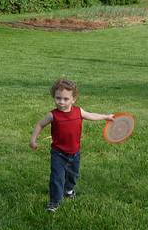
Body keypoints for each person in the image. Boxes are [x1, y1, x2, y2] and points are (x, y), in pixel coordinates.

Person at [29, 78, 113, 212]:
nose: (61, 102)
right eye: (58, 98)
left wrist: (105, 116)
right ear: (54, 97)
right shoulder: (52, 115)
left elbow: (91, 115)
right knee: (57, 178)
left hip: (75, 153)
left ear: (73, 99)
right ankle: (54, 202)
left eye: (65, 99)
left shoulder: (78, 112)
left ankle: (68, 190)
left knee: (73, 175)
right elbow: (40, 124)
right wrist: (33, 140)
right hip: (58, 154)